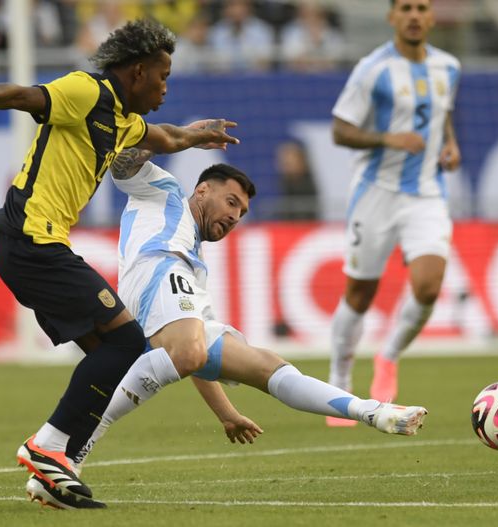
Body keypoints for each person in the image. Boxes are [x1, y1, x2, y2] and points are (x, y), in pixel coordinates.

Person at [0, 18, 240, 508]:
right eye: (162, 76)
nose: (166, 86)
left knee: (113, 354)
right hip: (30, 240)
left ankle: (56, 473)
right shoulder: (86, 91)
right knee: (127, 340)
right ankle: (46, 447)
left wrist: (193, 135)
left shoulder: (123, 121)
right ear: (138, 72)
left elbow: (162, 136)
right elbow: (24, 95)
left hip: (35, 246)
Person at [24, 149, 429, 509]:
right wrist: (183, 139)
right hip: (157, 271)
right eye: (231, 202)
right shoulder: (162, 192)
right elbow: (122, 161)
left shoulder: (196, 271)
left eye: (242, 212)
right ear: (202, 191)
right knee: (190, 349)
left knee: (266, 365)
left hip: (169, 294)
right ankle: (67, 451)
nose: (235, 216)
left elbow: (191, 359)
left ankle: (371, 412)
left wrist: (227, 413)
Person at [325, 0, 461, 427]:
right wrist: (389, 139)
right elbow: (340, 129)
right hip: (376, 193)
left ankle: (388, 355)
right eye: (405, 8)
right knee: (360, 293)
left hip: (426, 193)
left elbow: (442, 112)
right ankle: (339, 383)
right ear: (392, 17)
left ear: (432, 16)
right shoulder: (373, 69)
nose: (414, 15)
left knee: (428, 285)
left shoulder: (449, 67)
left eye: (421, 7)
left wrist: (449, 143)